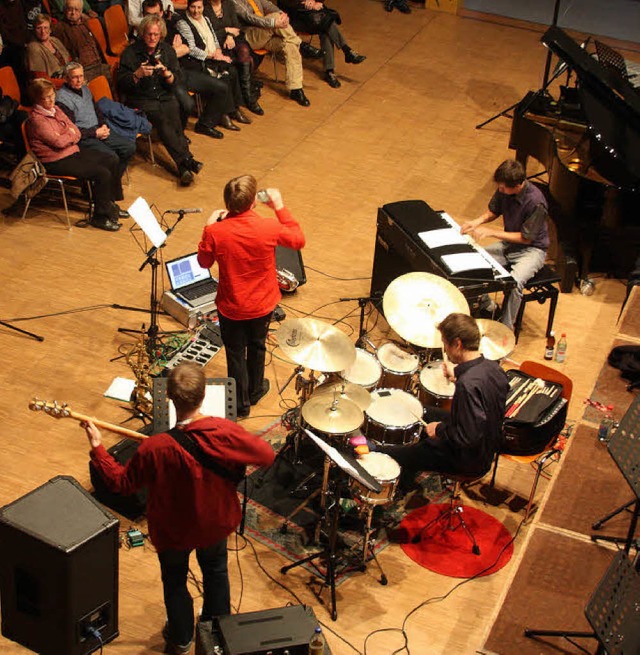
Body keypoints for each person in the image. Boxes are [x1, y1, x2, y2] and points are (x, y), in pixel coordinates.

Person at [83, 362, 275, 655]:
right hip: (214, 522)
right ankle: (217, 636)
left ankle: (182, 639)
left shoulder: (155, 447)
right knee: (216, 572)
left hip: (174, 530)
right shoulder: (224, 430)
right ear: (203, 396)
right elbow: (265, 454)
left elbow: (120, 483)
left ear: (170, 398)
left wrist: (98, 448)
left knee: (174, 582)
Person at [356, 313, 509, 487]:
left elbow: (468, 438)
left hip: (468, 459)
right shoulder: (493, 368)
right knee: (423, 411)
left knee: (410, 452)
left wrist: (440, 430)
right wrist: (457, 374)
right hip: (488, 445)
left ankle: (380, 450)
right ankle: (409, 474)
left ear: (457, 344)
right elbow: (483, 398)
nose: (444, 349)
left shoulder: (467, 385)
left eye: (445, 343)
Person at [197, 175, 305, 417]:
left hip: (231, 306)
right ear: (254, 202)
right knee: (257, 346)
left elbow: (204, 261)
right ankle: (255, 390)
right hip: (262, 304)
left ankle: (240, 405)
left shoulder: (216, 232)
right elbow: (298, 239)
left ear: (226, 203)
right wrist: (279, 205)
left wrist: (208, 227)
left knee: (235, 353)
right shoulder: (268, 227)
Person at [460, 159, 549, 331]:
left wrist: (491, 232)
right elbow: (494, 210)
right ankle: (487, 305)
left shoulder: (536, 202)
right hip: (510, 244)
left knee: (514, 283)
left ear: (517, 185)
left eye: (503, 188)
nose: (500, 190)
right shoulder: (504, 189)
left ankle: (505, 330)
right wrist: (476, 222)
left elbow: (526, 238)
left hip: (532, 250)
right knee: (473, 263)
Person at [26, 78, 125, 231]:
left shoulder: (56, 110)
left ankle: (109, 205)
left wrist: (68, 136)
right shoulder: (37, 120)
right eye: (47, 97)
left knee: (111, 158)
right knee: (101, 173)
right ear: (38, 100)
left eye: (53, 94)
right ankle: (100, 217)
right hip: (55, 160)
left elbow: (76, 131)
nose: (52, 99)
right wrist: (69, 135)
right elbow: (58, 142)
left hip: (71, 151)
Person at [118, 14, 204, 185]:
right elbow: (122, 84)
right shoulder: (130, 53)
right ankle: (186, 162)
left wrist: (167, 74)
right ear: (143, 33)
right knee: (163, 121)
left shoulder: (167, 51)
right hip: (141, 99)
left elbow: (176, 81)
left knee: (175, 119)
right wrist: (137, 75)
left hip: (164, 95)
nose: (152, 38)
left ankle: (184, 167)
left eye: (156, 35)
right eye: (149, 34)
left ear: (161, 35)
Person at [56, 62, 135, 191]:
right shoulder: (62, 99)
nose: (79, 80)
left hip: (98, 131)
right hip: (84, 137)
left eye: (81, 76)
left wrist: (103, 125)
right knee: (111, 156)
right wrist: (94, 133)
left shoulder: (86, 89)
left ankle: (111, 183)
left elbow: (97, 111)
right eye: (75, 77)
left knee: (128, 147)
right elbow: (72, 130)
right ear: (66, 78)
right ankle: (105, 190)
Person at [175, 0, 252, 132]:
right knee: (225, 76)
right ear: (188, 7)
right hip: (196, 62)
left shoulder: (205, 19)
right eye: (193, 7)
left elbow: (214, 38)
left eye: (199, 7)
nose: (196, 10)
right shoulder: (183, 23)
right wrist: (211, 56)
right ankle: (224, 114)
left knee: (233, 70)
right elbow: (191, 48)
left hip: (211, 56)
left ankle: (234, 110)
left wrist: (218, 51)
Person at [232, 0, 310, 106]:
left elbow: (267, 4)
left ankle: (296, 89)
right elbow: (249, 17)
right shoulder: (233, 1)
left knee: (290, 45)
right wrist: (273, 22)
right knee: (274, 17)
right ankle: (302, 44)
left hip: (268, 32)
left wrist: (282, 14)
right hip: (251, 37)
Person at [276, 0, 365, 88]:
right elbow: (284, 3)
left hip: (313, 16)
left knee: (325, 26)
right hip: (293, 18)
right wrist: (303, 3)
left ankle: (330, 70)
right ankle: (344, 52)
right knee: (326, 23)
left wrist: (317, 2)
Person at [204, 0, 263, 114]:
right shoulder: (204, 8)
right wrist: (226, 30)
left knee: (244, 52)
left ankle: (248, 97)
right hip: (218, 43)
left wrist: (230, 35)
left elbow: (236, 26)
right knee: (245, 60)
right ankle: (247, 98)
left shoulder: (228, 4)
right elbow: (209, 33)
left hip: (233, 38)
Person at [53, 0, 112, 82]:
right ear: (65, 10)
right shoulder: (60, 29)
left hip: (99, 64)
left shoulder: (85, 23)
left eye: (76, 10)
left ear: (81, 11)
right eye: (70, 9)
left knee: (119, 76)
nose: (73, 13)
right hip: (84, 70)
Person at [25, 13, 72, 88]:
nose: (43, 31)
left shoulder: (55, 40)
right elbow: (42, 80)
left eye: (45, 27)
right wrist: (67, 82)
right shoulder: (33, 48)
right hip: (51, 88)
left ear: (50, 29)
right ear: (34, 30)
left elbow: (70, 61)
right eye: (39, 28)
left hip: (68, 80)